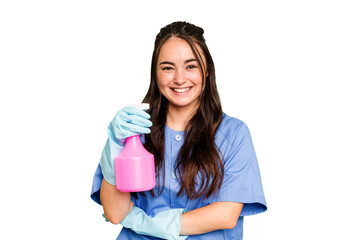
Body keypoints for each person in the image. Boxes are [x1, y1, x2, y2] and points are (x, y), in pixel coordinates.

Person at [91, 21, 267, 240]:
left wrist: (140, 221)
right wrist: (115, 146)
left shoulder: (234, 133)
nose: (180, 78)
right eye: (168, 67)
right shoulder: (134, 130)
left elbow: (226, 215)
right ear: (155, 74)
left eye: (191, 66)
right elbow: (116, 212)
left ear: (207, 72)